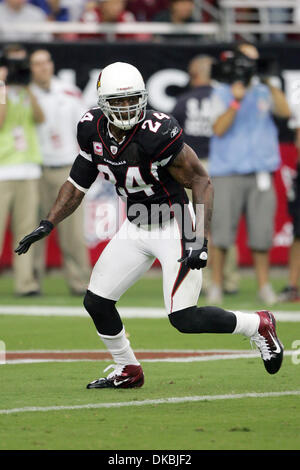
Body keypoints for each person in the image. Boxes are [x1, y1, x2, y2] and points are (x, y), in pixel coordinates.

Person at [15, 61, 284, 389]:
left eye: (133, 100)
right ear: (103, 103)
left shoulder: (157, 132)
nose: (128, 108)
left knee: (183, 318)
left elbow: (201, 179)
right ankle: (128, 369)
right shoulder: (90, 128)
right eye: (119, 101)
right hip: (136, 225)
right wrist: (48, 222)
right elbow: (76, 183)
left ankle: (257, 324)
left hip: (175, 224)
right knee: (96, 302)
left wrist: (198, 238)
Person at [208, 43, 291, 305]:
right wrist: (236, 100)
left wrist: (268, 79)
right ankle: (216, 285)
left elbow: (286, 112)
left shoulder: (266, 90)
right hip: (227, 171)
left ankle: (264, 286)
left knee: (261, 234)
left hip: (260, 171)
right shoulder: (221, 91)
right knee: (221, 234)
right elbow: (218, 128)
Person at [172, 54, 240, 297]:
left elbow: (172, 138)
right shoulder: (224, 97)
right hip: (221, 166)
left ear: (195, 74)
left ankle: (204, 277)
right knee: (222, 224)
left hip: (191, 169)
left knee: (197, 223)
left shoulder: (183, 101)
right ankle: (229, 279)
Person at [29, 49, 91, 295]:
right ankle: (31, 282)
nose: (42, 67)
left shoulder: (69, 91)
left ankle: (80, 281)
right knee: (33, 227)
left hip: (67, 166)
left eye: (45, 62)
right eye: (36, 64)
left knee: (73, 230)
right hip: (36, 167)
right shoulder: (22, 94)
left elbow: (87, 129)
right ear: (31, 68)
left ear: (52, 65)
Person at [0, 44, 44, 296]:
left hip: (27, 168)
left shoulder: (26, 91)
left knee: (26, 230)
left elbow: (40, 118)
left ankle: (25, 283)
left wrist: (27, 85)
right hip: (3, 168)